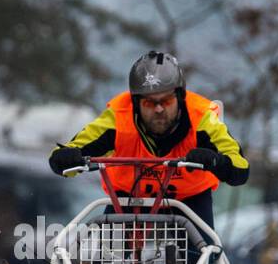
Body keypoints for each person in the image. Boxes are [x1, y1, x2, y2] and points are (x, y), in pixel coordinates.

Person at [48, 50, 249, 234]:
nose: (159, 110)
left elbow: (240, 168)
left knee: (202, 261)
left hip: (189, 200)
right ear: (135, 103)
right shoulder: (117, 119)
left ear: (180, 97)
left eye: (167, 101)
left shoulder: (202, 119)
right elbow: (66, 154)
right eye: (149, 103)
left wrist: (216, 161)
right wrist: (66, 158)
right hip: (127, 199)